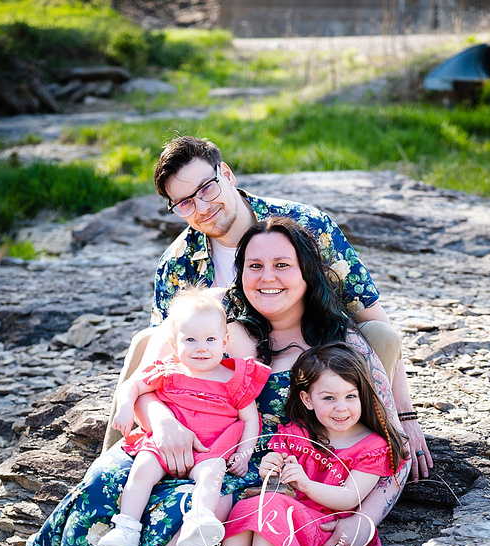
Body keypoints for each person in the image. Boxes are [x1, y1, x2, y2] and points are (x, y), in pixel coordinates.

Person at [1, 217, 405, 546]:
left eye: (282, 264)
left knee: (185, 521)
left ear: (307, 271)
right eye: (254, 265)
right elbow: (141, 385)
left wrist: (364, 517)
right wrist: (160, 421)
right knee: (101, 487)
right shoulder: (216, 321)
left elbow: (389, 445)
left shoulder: (342, 345)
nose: (268, 277)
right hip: (162, 446)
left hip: (241, 468)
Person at [134, 134, 431, 484]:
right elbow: (161, 358)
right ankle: (123, 465)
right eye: (183, 202)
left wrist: (405, 415)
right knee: (145, 341)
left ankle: (361, 445)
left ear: (226, 174)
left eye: (207, 189)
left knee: (380, 335)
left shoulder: (306, 225)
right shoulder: (178, 263)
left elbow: (371, 316)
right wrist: (162, 421)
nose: (201, 207)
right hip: (219, 386)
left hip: (318, 358)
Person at [185, 342, 407, 546]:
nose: (341, 407)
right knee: (247, 506)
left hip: (324, 537)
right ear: (307, 399)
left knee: (272, 508)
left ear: (363, 396)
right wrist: (269, 467)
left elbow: (347, 498)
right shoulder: (298, 433)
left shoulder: (371, 446)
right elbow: (276, 478)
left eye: (350, 396)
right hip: (283, 535)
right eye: (328, 398)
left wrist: (304, 484)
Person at [99, 288, 269, 546]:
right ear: (175, 345)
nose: (201, 347)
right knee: (143, 469)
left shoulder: (233, 379)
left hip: (209, 450)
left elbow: (250, 420)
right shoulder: (169, 371)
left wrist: (244, 454)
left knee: (212, 475)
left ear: (224, 342)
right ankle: (127, 527)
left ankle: (199, 520)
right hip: (164, 447)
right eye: (190, 340)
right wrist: (124, 407)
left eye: (210, 339)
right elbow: (133, 385)